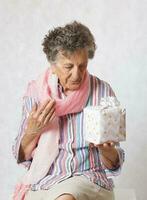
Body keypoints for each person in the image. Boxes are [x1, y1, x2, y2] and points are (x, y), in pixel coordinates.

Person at [12, 21, 125, 200]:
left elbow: (114, 164)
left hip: (89, 179)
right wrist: (31, 132)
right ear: (53, 66)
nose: (77, 74)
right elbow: (22, 157)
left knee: (66, 197)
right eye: (68, 67)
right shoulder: (36, 94)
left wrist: (106, 150)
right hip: (45, 181)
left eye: (82, 66)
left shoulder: (102, 91)